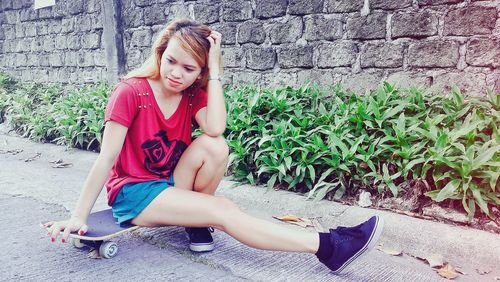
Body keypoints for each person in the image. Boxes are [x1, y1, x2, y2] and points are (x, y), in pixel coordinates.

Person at [44, 19, 384, 274]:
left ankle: (195, 220)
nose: (176, 73)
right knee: (224, 210)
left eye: (189, 68)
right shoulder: (131, 92)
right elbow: (107, 158)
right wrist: (78, 215)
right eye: (171, 61)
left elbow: (215, 128)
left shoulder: (193, 94)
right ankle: (328, 247)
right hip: (134, 192)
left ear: (200, 72)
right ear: (160, 54)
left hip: (169, 184)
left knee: (215, 146)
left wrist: (216, 73)